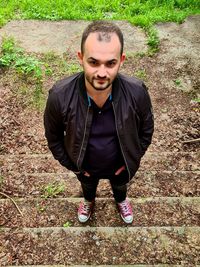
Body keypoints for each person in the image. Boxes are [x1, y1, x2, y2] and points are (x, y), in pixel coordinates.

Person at [44, 20, 154, 224]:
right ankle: (88, 200)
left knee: (120, 187)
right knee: (88, 188)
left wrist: (131, 158)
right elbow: (54, 138)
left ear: (121, 60)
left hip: (121, 166)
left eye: (110, 63)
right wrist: (75, 167)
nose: (102, 72)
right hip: (84, 167)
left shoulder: (137, 92)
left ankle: (121, 200)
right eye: (93, 62)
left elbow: (146, 131)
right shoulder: (59, 96)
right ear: (80, 58)